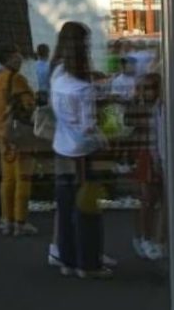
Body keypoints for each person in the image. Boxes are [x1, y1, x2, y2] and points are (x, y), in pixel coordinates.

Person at [48, 22, 111, 279]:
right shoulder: (83, 88)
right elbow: (88, 126)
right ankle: (89, 262)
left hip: (62, 147)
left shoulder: (57, 74)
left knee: (65, 208)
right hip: (84, 153)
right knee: (87, 208)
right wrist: (103, 139)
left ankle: (68, 259)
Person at [0, 45, 37, 236]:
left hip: (3, 134)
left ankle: (6, 220)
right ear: (9, 59)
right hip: (20, 135)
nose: (20, 61)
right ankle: (20, 221)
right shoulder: (17, 79)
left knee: (7, 179)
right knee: (23, 178)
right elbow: (29, 104)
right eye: (17, 58)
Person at [131, 73, 166, 260]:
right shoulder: (142, 108)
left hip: (157, 154)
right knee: (148, 199)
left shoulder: (161, 107)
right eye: (144, 88)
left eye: (151, 88)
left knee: (160, 200)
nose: (147, 92)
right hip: (146, 156)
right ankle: (144, 238)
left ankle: (157, 239)